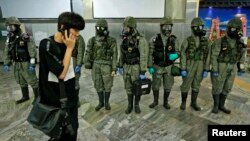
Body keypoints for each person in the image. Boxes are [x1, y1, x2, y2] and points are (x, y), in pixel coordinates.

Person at [38, 12, 85, 140]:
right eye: (75, 29)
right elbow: (61, 74)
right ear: (62, 27)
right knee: (60, 133)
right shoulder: (47, 45)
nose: (78, 34)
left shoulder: (70, 42)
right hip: (56, 100)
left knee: (73, 130)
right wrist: (69, 49)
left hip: (71, 97)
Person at [210, 18, 246, 114]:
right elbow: (214, 56)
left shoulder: (240, 42)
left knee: (228, 86)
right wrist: (214, 69)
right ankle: (216, 105)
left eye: (237, 29)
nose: (235, 31)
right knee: (217, 86)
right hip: (221, 66)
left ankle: (222, 105)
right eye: (233, 29)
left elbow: (243, 55)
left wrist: (241, 67)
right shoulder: (220, 41)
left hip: (233, 66)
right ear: (228, 29)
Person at [3, 16, 38, 104]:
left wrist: (32, 64)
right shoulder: (9, 38)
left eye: (11, 26)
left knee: (33, 81)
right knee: (21, 80)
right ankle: (25, 96)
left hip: (25, 63)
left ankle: (38, 98)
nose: (9, 29)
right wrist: (6, 63)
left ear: (17, 26)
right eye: (8, 27)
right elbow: (7, 50)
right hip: (16, 63)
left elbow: (32, 51)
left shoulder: (25, 37)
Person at [84, 19, 118, 111]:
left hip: (107, 65)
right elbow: (88, 52)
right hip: (96, 64)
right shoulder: (92, 40)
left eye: (101, 28)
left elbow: (114, 55)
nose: (99, 29)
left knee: (108, 85)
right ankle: (101, 102)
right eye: (97, 27)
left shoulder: (111, 41)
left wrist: (114, 68)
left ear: (106, 28)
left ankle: (106, 102)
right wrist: (87, 62)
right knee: (97, 84)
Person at [117, 16, 149, 114]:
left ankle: (136, 105)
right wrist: (120, 65)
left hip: (136, 67)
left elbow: (144, 55)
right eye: (124, 27)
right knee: (128, 87)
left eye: (127, 28)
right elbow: (122, 53)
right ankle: (130, 105)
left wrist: (143, 71)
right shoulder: (124, 39)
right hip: (126, 66)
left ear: (132, 28)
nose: (125, 30)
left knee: (137, 87)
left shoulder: (140, 40)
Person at [148, 16, 180, 109]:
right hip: (157, 66)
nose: (167, 29)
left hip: (169, 67)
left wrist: (176, 55)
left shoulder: (174, 39)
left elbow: (179, 52)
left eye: (169, 27)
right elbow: (150, 54)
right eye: (165, 27)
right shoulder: (154, 39)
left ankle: (166, 102)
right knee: (155, 85)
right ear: (161, 27)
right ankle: (155, 101)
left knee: (168, 85)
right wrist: (150, 66)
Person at [179, 17, 211, 111]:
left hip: (200, 66)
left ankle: (193, 103)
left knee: (196, 84)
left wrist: (206, 68)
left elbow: (208, 55)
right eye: (200, 27)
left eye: (202, 26)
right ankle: (183, 102)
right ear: (194, 28)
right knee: (186, 84)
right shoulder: (187, 40)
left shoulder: (206, 41)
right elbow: (183, 54)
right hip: (189, 65)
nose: (202, 28)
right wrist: (183, 68)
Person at [72, 35, 85, 105]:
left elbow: (80, 52)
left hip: (74, 60)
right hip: (65, 60)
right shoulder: (65, 35)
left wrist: (78, 64)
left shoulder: (79, 38)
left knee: (75, 81)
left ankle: (76, 100)